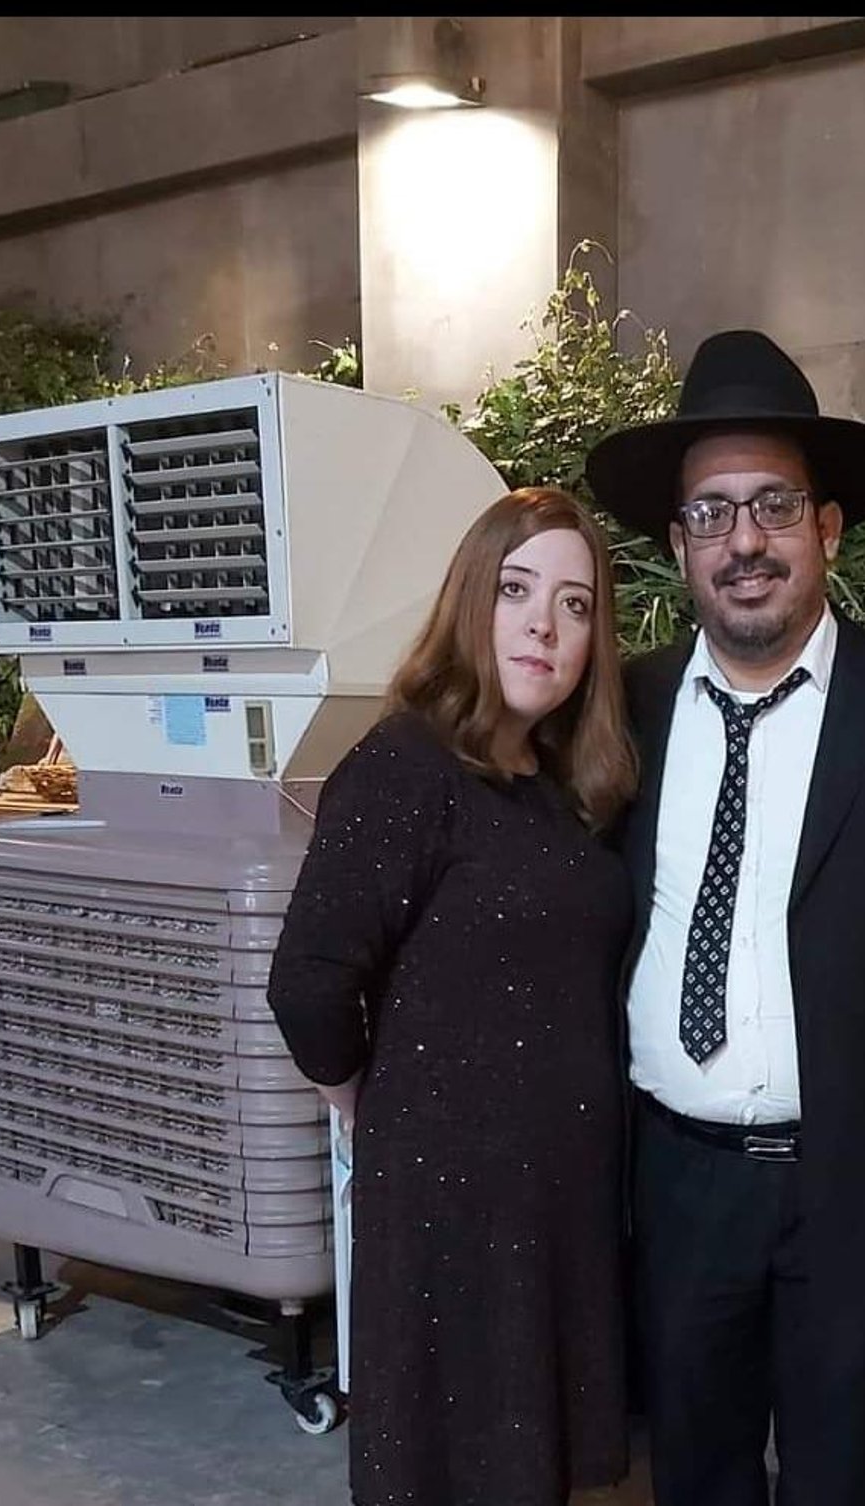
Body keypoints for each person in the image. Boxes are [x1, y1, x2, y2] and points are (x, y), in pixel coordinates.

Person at [585, 330, 865, 1506]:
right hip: (676, 1181)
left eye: (772, 505)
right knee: (694, 1473)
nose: (743, 541)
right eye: (710, 513)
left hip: (856, 1180)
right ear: (678, 544)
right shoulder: (625, 709)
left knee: (848, 1478)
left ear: (826, 527)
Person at [266, 487, 638, 1506]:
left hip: (557, 1200)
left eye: (574, 604)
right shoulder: (405, 767)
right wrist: (359, 1100)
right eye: (517, 589)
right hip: (451, 1203)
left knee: (532, 1469)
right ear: (471, 599)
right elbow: (308, 981)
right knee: (461, 1469)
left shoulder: (561, 788)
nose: (543, 624)